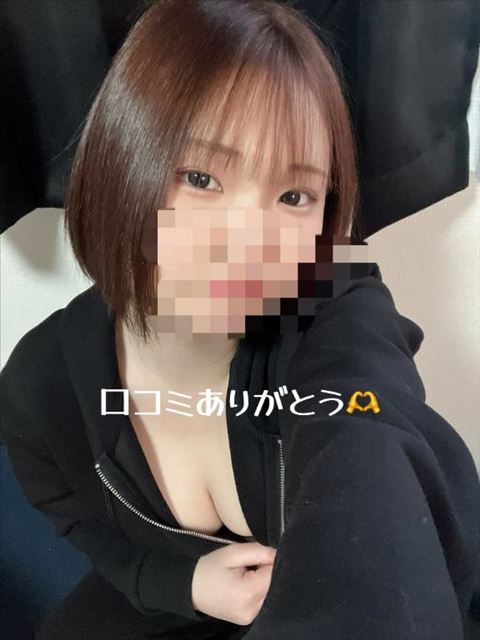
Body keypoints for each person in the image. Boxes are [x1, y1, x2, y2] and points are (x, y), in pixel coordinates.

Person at [1, 1, 478, 639]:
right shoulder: (41, 386)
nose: (251, 240)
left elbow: (370, 455)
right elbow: (80, 523)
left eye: (295, 195)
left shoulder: (335, 313)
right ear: (119, 163)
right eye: (201, 177)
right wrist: (179, 583)